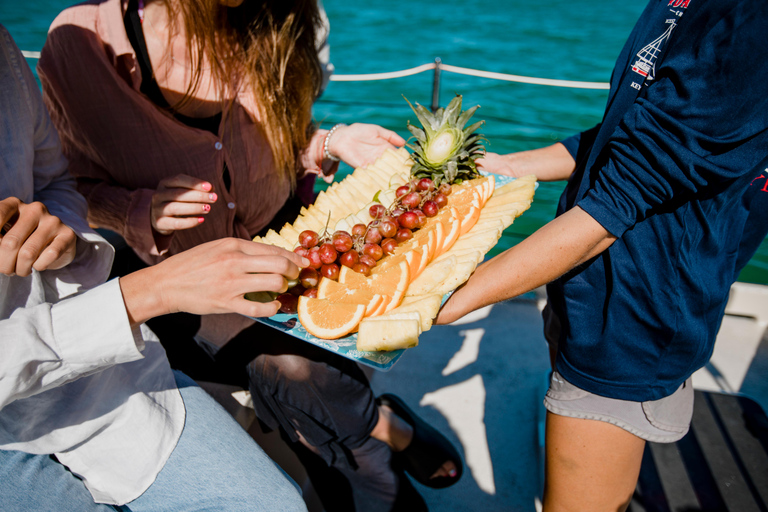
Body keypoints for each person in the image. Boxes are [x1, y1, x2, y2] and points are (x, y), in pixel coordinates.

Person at [38, 0, 462, 509]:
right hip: (172, 271)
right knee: (299, 371)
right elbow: (64, 186)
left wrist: (330, 141)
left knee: (323, 353)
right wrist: (139, 209)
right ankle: (380, 430)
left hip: (285, 237)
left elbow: (280, 144)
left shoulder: (278, 18)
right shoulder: (82, 43)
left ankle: (365, 446)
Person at [437, 1, 768, 511]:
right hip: (583, 284)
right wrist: (506, 166)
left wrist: (451, 296)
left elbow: (623, 198)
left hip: (633, 321)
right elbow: (626, 131)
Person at [0, 24, 309, 511]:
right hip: (16, 423)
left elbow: (55, 180)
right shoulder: (81, 42)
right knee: (302, 373)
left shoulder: (3, 49)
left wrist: (61, 237)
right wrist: (148, 288)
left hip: (97, 373)